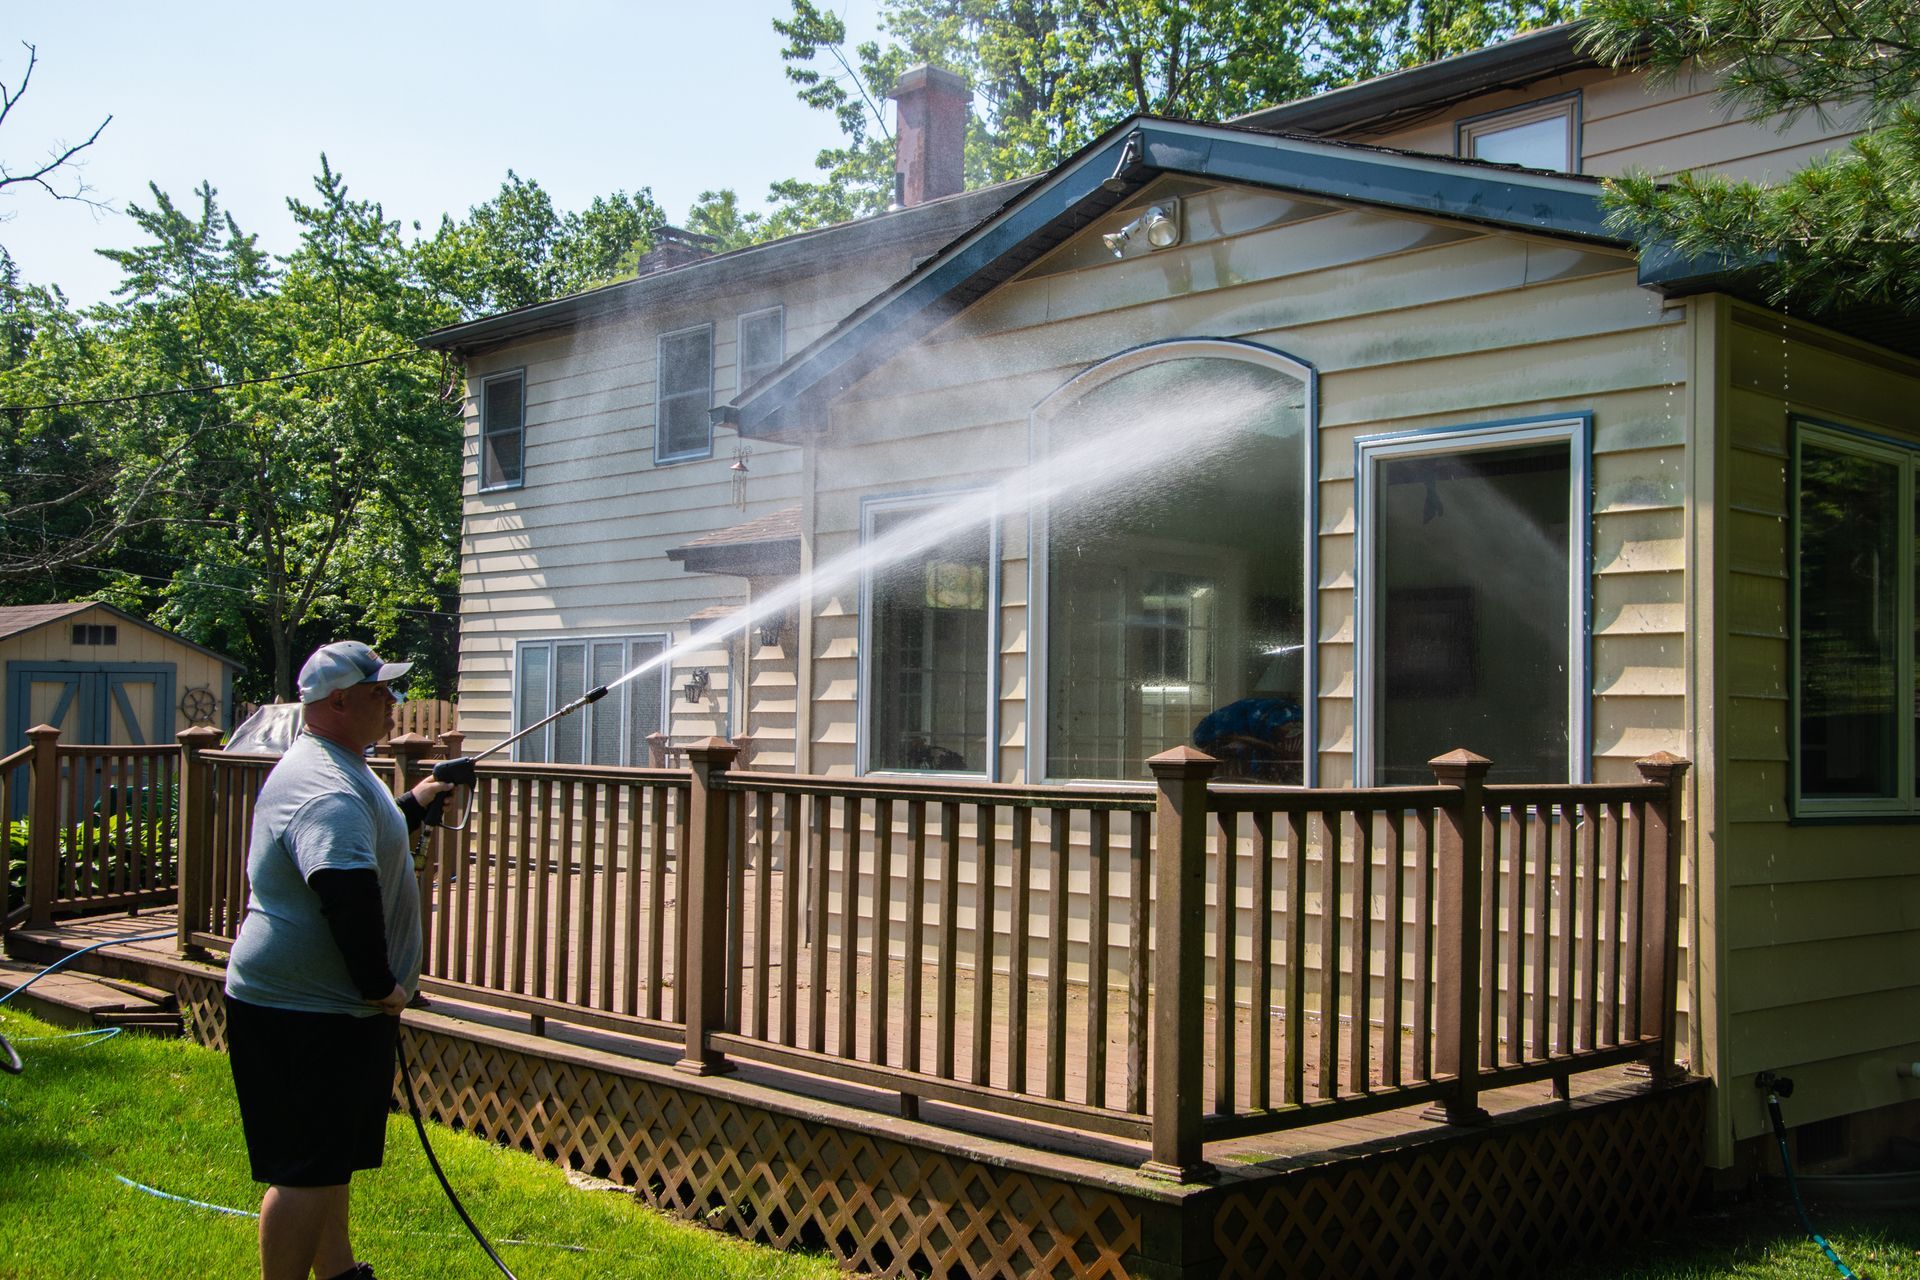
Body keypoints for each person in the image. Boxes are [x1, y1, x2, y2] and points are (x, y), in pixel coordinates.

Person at [224, 640, 453, 1280]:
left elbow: (365, 834)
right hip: (305, 1011)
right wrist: (381, 986)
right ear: (339, 702)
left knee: (326, 1162)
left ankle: (338, 1273)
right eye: (380, 691)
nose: (393, 701)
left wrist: (419, 798)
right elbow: (345, 896)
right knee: (303, 1171)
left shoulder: (340, 765)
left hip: (320, 1005)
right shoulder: (326, 787)